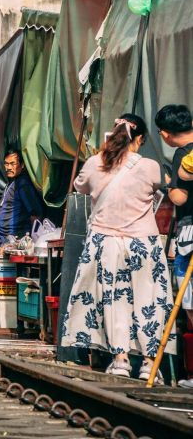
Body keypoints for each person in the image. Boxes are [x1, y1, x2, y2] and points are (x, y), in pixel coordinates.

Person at [60, 114, 174, 383]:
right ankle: (149, 364)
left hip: (107, 243)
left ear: (112, 135)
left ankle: (120, 360)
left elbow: (82, 187)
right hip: (143, 244)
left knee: (113, 301)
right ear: (140, 139)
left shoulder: (94, 163)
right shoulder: (149, 166)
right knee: (150, 301)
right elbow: (168, 184)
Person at [0, 147, 43, 327]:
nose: (8, 167)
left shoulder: (23, 185)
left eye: (13, 163)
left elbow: (34, 214)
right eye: (6, 164)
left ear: (22, 165)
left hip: (10, 237)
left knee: (4, 279)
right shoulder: (10, 184)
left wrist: (27, 239)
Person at [155, 104, 193, 387]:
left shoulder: (184, 155)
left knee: (189, 301)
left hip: (190, 232)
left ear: (166, 134)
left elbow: (180, 198)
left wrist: (167, 183)